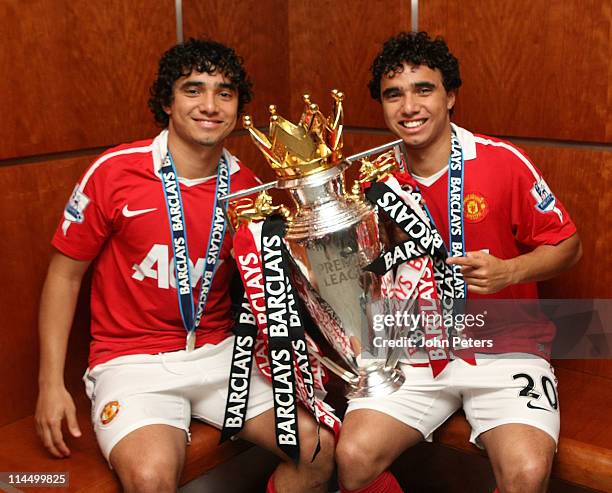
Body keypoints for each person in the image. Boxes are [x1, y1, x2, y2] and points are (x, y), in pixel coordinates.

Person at [35, 38, 334, 493]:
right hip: (131, 360)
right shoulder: (115, 172)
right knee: (151, 478)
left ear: (237, 108)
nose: (210, 105)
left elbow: (275, 284)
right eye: (193, 89)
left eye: (224, 92)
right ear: (167, 103)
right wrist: (50, 383)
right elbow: (64, 274)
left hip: (220, 353)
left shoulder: (248, 189)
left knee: (317, 449)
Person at [335, 32, 582, 493]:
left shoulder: (500, 161)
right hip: (414, 349)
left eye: (423, 89)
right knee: (352, 458)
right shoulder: (372, 180)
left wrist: (512, 271)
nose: (409, 106)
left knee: (526, 474)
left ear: (450, 96)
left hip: (506, 345)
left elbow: (569, 245)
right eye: (394, 94)